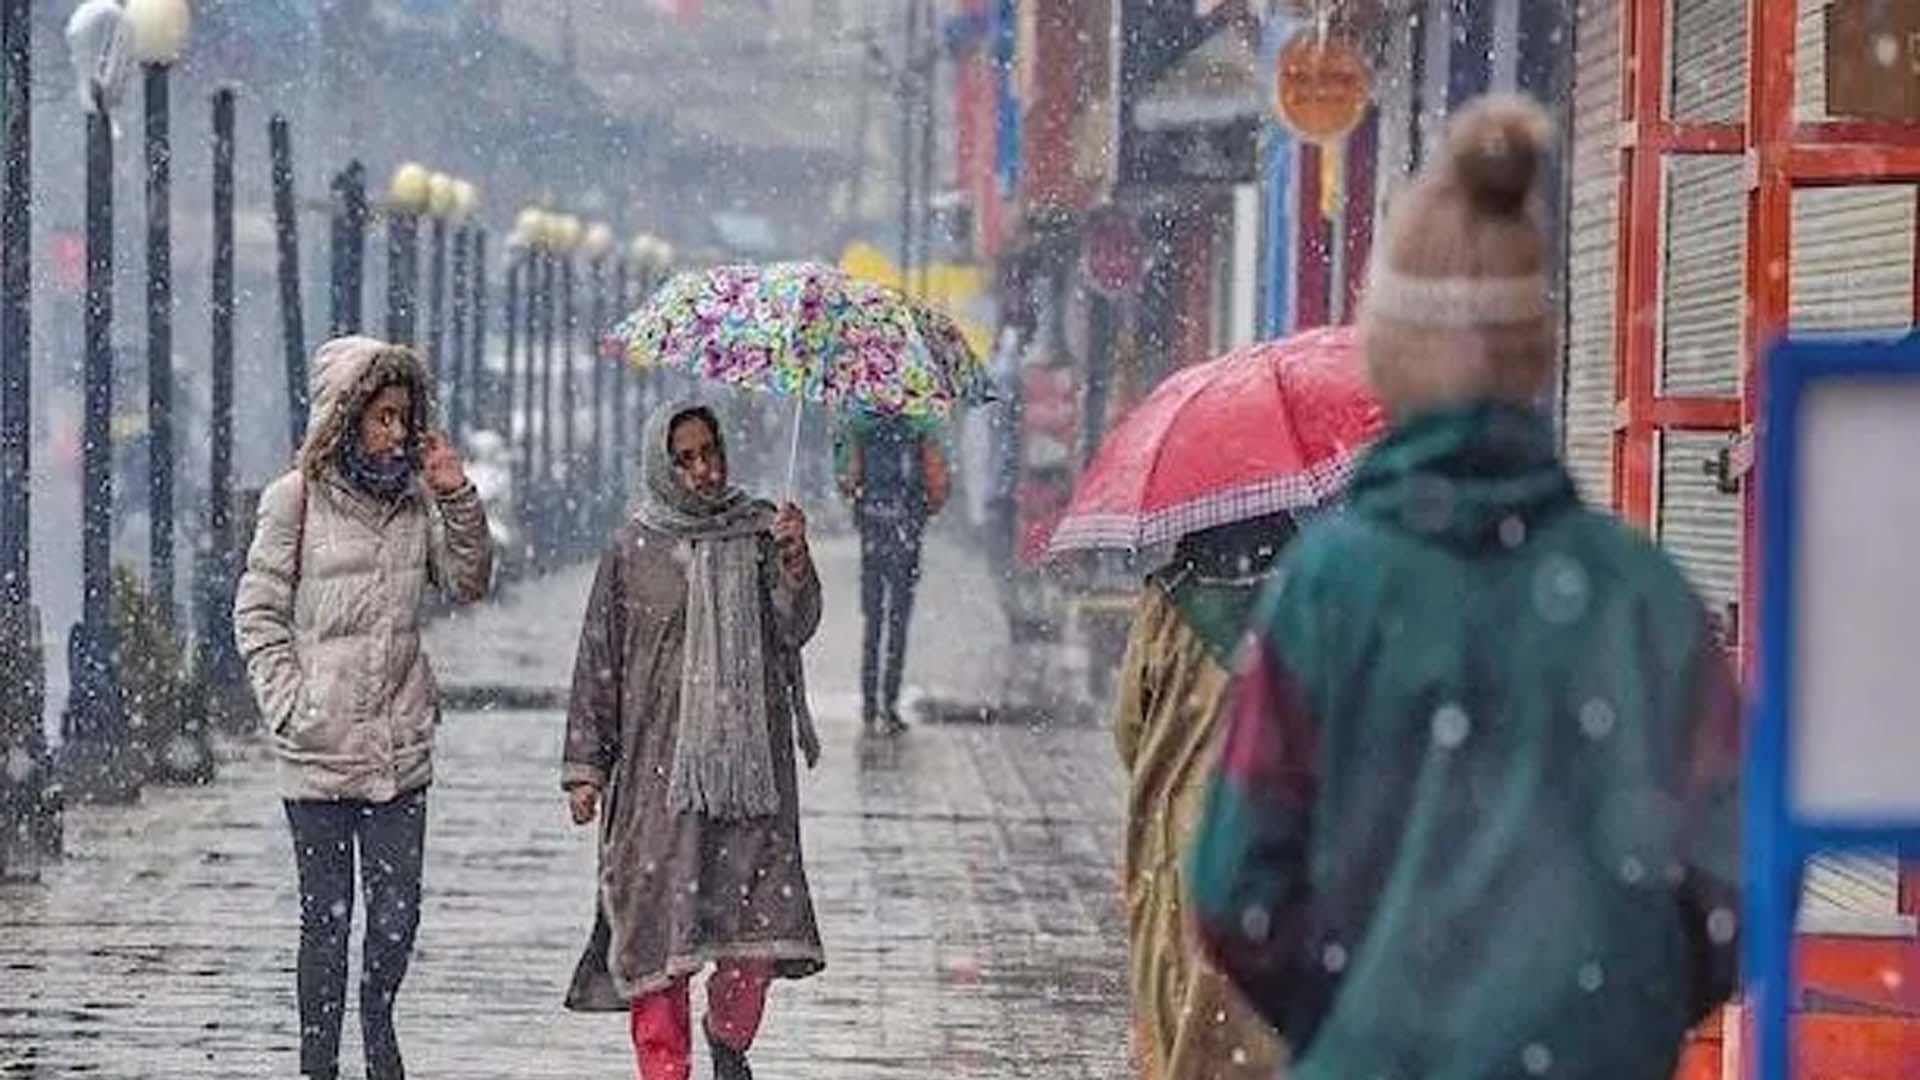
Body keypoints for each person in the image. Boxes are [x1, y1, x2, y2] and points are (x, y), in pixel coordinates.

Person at [1186, 95, 1742, 1080]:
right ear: (1534, 355)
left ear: (1388, 357)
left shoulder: (1326, 591)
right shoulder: (1642, 595)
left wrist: (1353, 1019)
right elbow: (1733, 880)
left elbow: (1235, 890)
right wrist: (1616, 1009)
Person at [234, 336, 493, 1080]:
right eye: (382, 417)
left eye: (404, 418)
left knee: (395, 918)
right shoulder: (296, 499)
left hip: (399, 749)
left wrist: (455, 493)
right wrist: (292, 705)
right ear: (348, 419)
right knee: (326, 922)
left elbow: (469, 580)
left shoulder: (417, 500)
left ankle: (378, 1020)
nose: (394, 433)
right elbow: (257, 613)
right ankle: (320, 1062)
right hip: (318, 750)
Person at [563, 401, 825, 1080]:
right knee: (659, 935)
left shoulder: (759, 530)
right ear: (663, 462)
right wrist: (586, 768)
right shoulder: (632, 548)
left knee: (755, 931)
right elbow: (601, 658)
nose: (704, 468)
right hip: (658, 783)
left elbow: (795, 627)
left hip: (750, 781)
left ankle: (727, 1035)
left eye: (711, 452)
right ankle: (666, 1069)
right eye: (686, 457)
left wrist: (793, 561)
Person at [1113, 514, 1294, 1080]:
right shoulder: (1303, 605)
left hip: (1177, 847)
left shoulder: (1165, 605)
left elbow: (1128, 731)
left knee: (1177, 1017)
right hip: (1273, 845)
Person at [837, 411, 949, 735]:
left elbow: (848, 480)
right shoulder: (920, 426)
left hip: (873, 532)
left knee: (873, 619)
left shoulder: (861, 425)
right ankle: (889, 704)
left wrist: (864, 503)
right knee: (898, 620)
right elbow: (937, 486)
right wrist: (920, 512)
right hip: (906, 533)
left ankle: (869, 702)